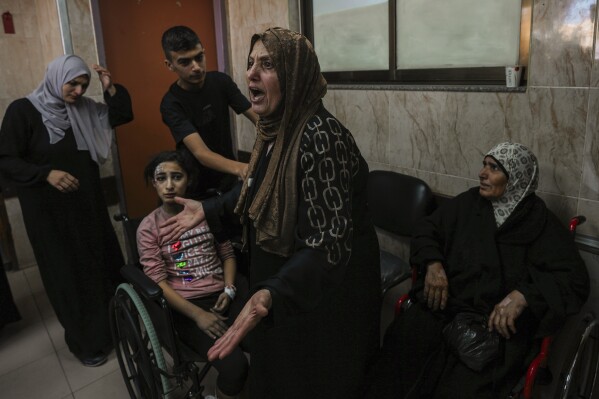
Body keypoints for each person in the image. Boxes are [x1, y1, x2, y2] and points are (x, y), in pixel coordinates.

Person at [160, 28, 381, 398]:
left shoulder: (320, 136)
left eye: (267, 64)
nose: (250, 74)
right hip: (287, 282)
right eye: (250, 64)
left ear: (295, 74)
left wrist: (271, 293)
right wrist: (208, 208)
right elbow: (256, 193)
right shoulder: (274, 129)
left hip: (326, 289)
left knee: (318, 376)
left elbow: (327, 245)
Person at [367, 142, 590, 399]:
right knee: (400, 351)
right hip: (446, 306)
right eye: (484, 165)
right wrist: (433, 263)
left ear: (516, 177)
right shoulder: (469, 203)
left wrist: (524, 295)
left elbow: (574, 280)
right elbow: (427, 229)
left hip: (493, 328)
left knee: (461, 386)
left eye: (493, 168)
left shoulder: (540, 223)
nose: (482, 173)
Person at [0, 54, 133, 366]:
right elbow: (5, 159)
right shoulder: (23, 111)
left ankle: (116, 329)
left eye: (83, 85)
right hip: (50, 217)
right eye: (72, 82)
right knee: (68, 276)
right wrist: (46, 173)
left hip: (87, 208)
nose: (77, 91)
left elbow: (122, 115)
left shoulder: (83, 110)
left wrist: (109, 87)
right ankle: (87, 343)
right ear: (55, 77)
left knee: (101, 265)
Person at [136, 151, 248, 399]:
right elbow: (157, 281)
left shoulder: (204, 213)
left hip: (224, 295)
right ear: (153, 182)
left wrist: (229, 290)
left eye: (176, 177)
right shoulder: (149, 228)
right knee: (236, 368)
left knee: (270, 343)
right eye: (161, 178)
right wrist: (198, 315)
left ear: (188, 180)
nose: (169, 185)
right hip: (187, 307)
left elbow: (228, 255)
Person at [160, 25, 258, 200]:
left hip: (229, 180)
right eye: (185, 62)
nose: (196, 67)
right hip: (196, 186)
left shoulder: (221, 82)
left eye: (199, 57)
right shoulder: (171, 103)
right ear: (170, 65)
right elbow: (202, 154)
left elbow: (257, 118)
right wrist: (243, 168)